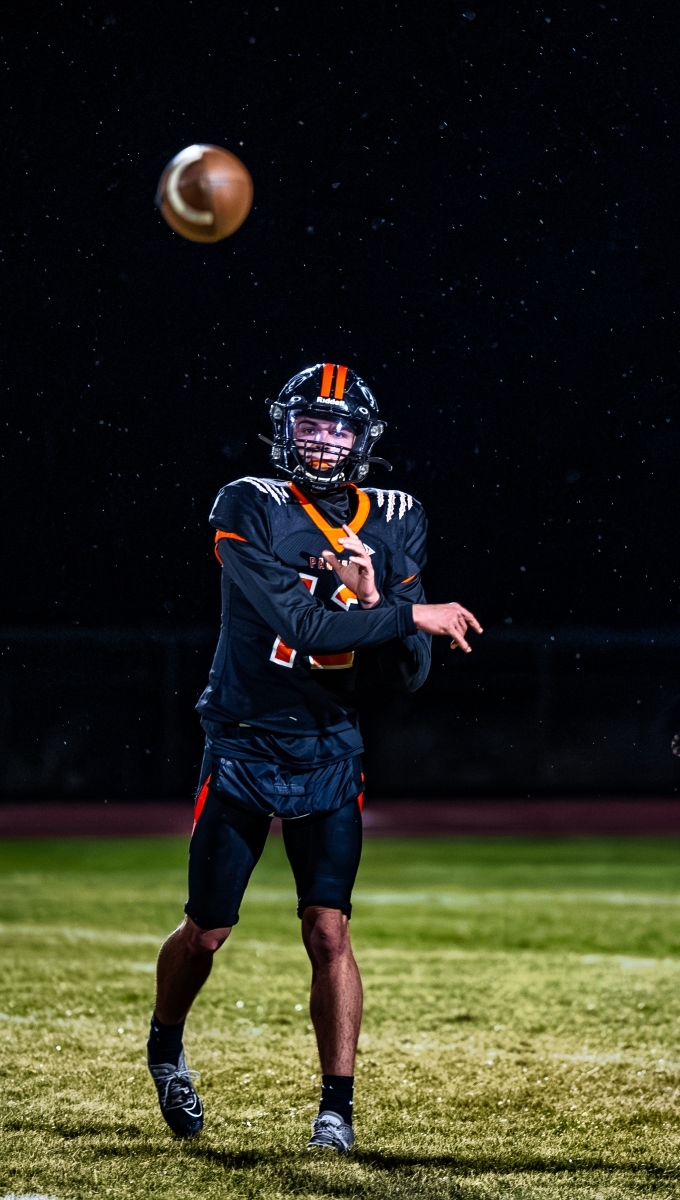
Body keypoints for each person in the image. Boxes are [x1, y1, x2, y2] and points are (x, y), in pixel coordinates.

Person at [146, 363, 482, 1152]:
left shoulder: (397, 515)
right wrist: (409, 613)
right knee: (207, 930)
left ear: (364, 440)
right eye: (310, 423)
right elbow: (302, 627)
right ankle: (165, 1043)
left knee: (329, 930)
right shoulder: (250, 503)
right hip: (245, 739)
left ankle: (337, 1109)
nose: (324, 439)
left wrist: (376, 599)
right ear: (284, 428)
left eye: (339, 426)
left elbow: (409, 675)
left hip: (331, 746)